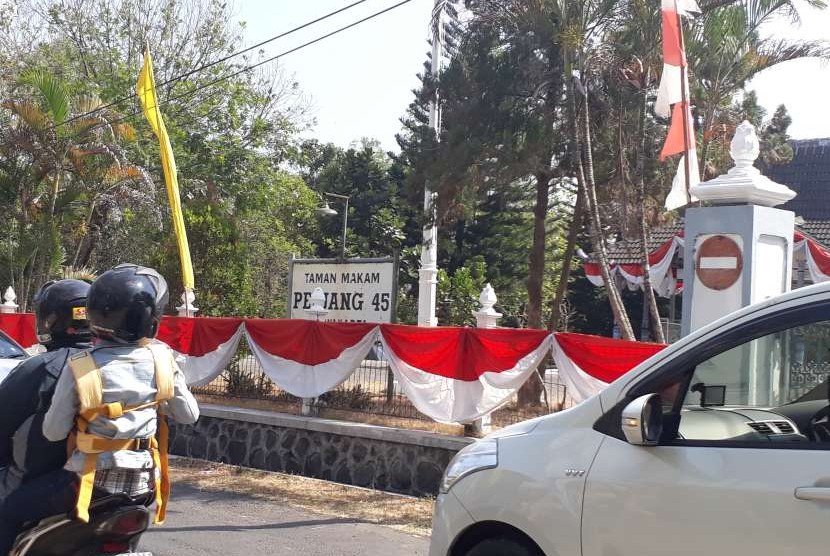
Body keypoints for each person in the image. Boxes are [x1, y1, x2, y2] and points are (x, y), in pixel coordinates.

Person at [0, 264, 200, 555]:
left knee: (6, 508)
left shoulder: (78, 366)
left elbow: (53, 432)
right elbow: (188, 415)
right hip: (144, 489)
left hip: (87, 486)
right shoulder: (162, 361)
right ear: (152, 322)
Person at [0, 279, 93, 500]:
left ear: (49, 320)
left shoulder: (41, 367)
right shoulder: (114, 363)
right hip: (103, 480)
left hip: (37, 480)